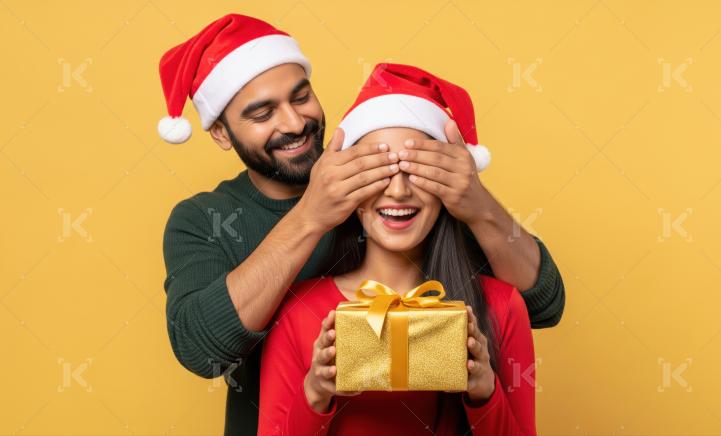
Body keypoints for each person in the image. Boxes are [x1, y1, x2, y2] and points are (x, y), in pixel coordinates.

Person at [159, 14, 562, 435]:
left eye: (301, 97)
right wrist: (311, 216)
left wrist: (478, 204)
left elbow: (539, 304)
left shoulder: (400, 199)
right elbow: (203, 352)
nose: (295, 123)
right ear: (221, 132)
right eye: (262, 113)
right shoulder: (204, 219)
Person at [257, 64, 536, 436]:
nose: (399, 191)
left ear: (448, 186)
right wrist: (314, 394)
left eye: (418, 169)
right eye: (379, 170)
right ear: (348, 190)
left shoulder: (501, 307)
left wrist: (485, 393)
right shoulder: (298, 311)